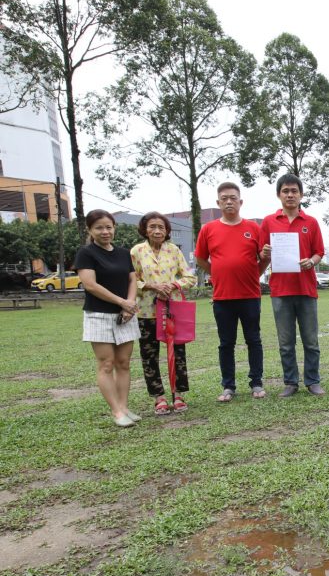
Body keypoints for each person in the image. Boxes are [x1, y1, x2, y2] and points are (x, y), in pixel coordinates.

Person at [194, 182, 268, 401]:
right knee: (226, 343)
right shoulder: (208, 229)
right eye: (224, 198)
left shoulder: (254, 228)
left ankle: (256, 383)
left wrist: (255, 273)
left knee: (253, 340)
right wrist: (216, 273)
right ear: (218, 203)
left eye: (233, 198)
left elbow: (264, 257)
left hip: (250, 296)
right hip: (223, 297)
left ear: (240, 201)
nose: (229, 201)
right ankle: (228, 386)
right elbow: (200, 258)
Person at [259, 173, 325, 397]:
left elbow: (319, 252)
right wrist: (264, 252)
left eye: (294, 191)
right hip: (280, 290)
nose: (290, 195)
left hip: (306, 289)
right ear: (279, 195)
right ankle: (290, 382)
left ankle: (313, 381)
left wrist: (312, 261)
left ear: (301, 195)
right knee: (285, 342)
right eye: (285, 191)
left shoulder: (311, 222)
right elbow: (261, 253)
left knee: (311, 340)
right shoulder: (268, 222)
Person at [75, 209, 141, 427]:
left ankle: (124, 407)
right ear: (90, 230)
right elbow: (91, 285)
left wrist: (129, 305)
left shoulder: (123, 253)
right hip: (99, 315)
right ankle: (116, 411)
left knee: (124, 363)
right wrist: (122, 302)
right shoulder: (86, 253)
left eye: (108, 227)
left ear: (114, 228)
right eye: (99, 228)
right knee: (106, 363)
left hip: (125, 316)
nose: (105, 232)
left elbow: (132, 280)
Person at [131, 212, 197, 415]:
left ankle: (178, 394)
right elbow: (131, 280)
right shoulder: (136, 251)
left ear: (167, 230)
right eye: (152, 227)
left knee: (177, 353)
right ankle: (159, 397)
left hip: (172, 309)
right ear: (145, 229)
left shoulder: (174, 250)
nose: (157, 230)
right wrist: (151, 286)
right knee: (149, 354)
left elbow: (189, 276)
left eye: (161, 227)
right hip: (146, 310)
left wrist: (173, 284)